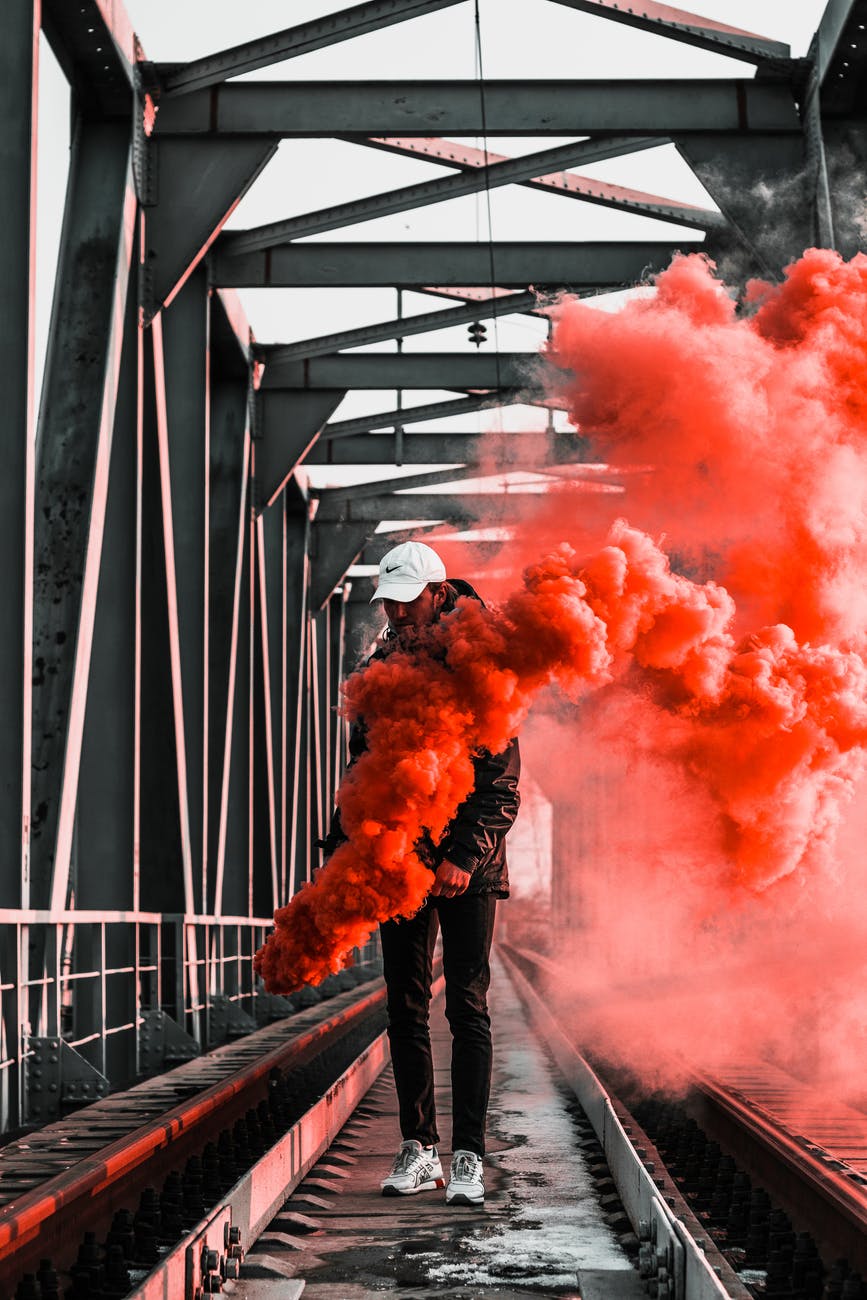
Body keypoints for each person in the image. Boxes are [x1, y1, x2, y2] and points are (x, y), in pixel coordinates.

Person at [323, 540, 520, 1207]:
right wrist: (345, 847)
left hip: (470, 873)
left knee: (466, 1009)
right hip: (402, 862)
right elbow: (365, 770)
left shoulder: (481, 663)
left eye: (406, 599)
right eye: (389, 601)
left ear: (438, 593)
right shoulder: (381, 661)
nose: (396, 610)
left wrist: (466, 856)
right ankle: (420, 1151)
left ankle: (468, 1158)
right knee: (404, 1008)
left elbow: (500, 782)